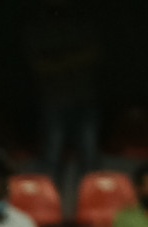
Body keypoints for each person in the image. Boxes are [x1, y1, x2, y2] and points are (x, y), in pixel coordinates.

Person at [25, 0, 102, 189]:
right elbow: (39, 66)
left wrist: (58, 61)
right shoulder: (40, 31)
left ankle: (90, 198)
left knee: (89, 157)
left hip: (83, 99)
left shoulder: (81, 27)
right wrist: (72, 61)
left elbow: (93, 54)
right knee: (51, 157)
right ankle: (48, 204)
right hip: (54, 101)